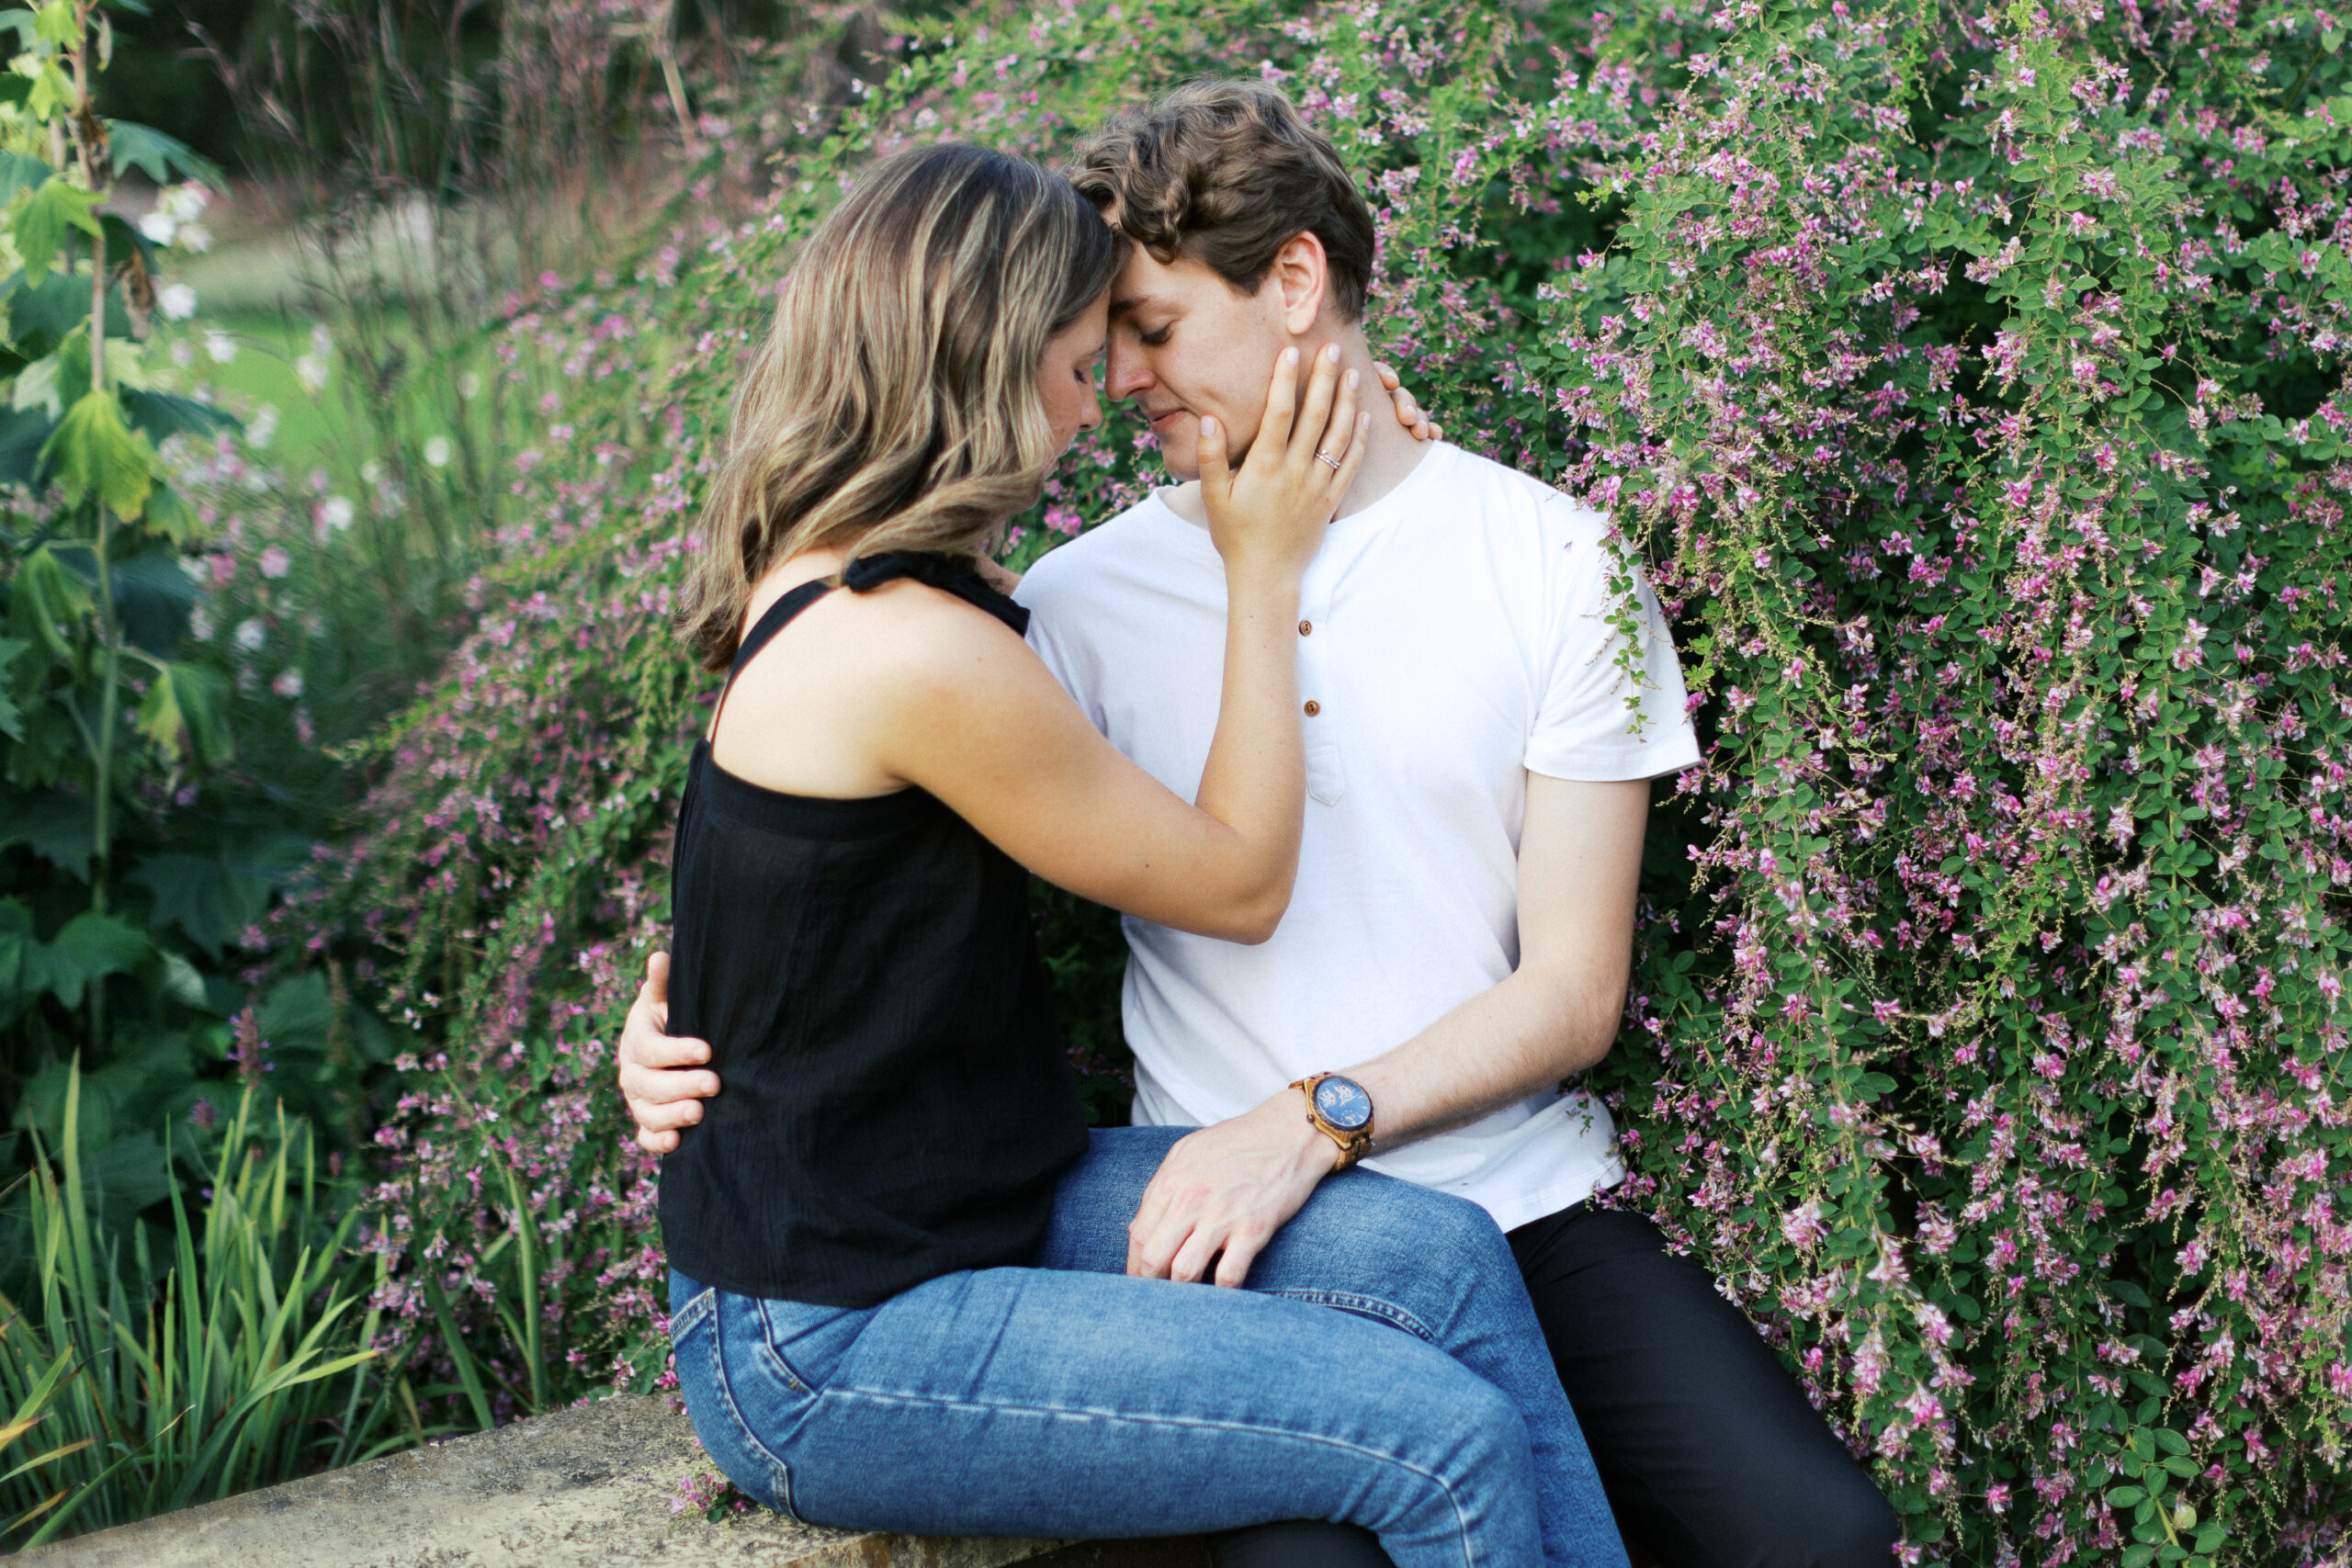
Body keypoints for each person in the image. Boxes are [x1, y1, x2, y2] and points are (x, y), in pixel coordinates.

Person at [631, 85, 1901, 1568]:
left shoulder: (1549, 559)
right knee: (1424, 1454)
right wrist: (683, 1018)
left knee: (1794, 1523)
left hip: (1480, 1194)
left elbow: (819, 872)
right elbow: (829, 830)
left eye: (1148, 330)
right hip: (1068, 1230)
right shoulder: (1052, 611)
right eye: (1088, 343)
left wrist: (1314, 1127)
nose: (1106, 381)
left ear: (1294, 284)